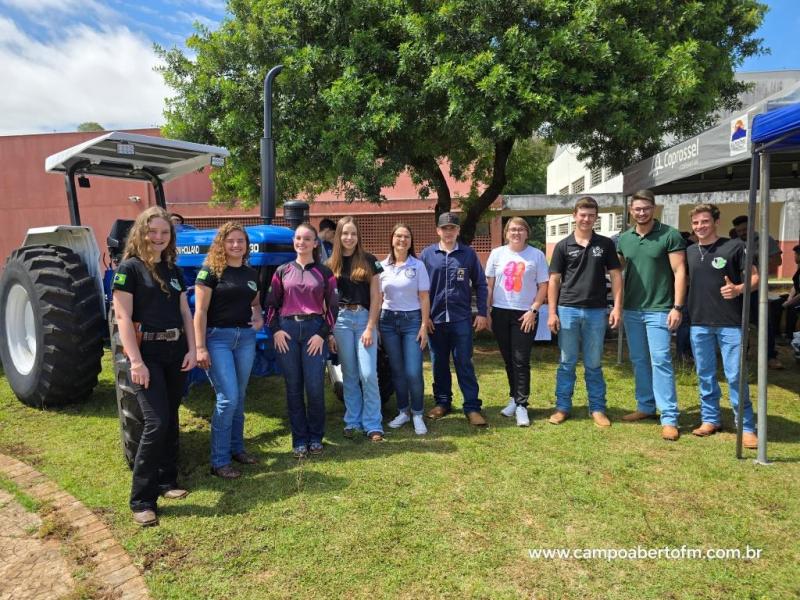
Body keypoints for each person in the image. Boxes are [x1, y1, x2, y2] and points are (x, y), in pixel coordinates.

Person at [112, 206, 197, 527]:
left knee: (170, 415)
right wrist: (134, 361)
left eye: (164, 232)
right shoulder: (129, 270)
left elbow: (185, 313)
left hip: (176, 352)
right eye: (153, 231)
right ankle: (142, 499)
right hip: (145, 352)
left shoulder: (173, 270)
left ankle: (167, 480)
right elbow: (122, 317)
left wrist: (191, 348)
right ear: (141, 233)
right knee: (156, 421)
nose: (158, 237)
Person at [193, 222, 263, 480]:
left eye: (240, 241)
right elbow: (199, 312)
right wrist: (200, 347)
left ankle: (237, 449)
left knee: (240, 397)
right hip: (218, 339)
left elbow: (255, 303)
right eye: (231, 240)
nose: (236, 245)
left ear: (246, 245)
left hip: (244, 338)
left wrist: (258, 317)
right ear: (222, 243)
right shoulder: (210, 272)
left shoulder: (250, 274)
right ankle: (219, 461)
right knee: (228, 398)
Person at [617, 189, 687, 441]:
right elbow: (616, 273)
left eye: (646, 208)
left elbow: (680, 271)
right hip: (632, 309)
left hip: (660, 309)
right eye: (637, 209)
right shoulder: (624, 239)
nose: (642, 212)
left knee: (661, 361)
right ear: (631, 211)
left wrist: (677, 307)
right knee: (639, 360)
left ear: (653, 208)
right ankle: (646, 406)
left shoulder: (670, 235)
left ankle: (669, 417)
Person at [687, 204, 758, 449]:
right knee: (704, 374)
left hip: (730, 323)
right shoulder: (690, 251)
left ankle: (746, 426)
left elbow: (756, 277)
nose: (700, 227)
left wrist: (738, 288)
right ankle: (710, 419)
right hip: (698, 322)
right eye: (696, 223)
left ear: (716, 222)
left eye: (705, 222)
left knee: (735, 375)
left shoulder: (735, 246)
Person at [547, 197, 622, 428]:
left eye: (591, 215)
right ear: (574, 216)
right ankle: (562, 407)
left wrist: (617, 307)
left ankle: (597, 408)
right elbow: (554, 280)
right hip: (567, 309)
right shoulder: (562, 245)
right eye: (583, 214)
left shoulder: (606, 244)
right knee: (567, 362)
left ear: (596, 218)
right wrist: (552, 312)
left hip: (596, 311)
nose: (586, 219)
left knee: (593, 363)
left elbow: (616, 276)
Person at [266, 223, 338, 457]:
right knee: (293, 388)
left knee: (315, 387)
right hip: (286, 332)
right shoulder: (282, 271)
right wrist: (275, 330)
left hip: (313, 331)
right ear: (294, 242)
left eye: (307, 239)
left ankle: (316, 436)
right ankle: (299, 439)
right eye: (298, 238)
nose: (302, 242)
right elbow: (271, 304)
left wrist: (322, 333)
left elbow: (334, 308)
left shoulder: (325, 273)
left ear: (315, 243)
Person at [420, 213, 489, 426]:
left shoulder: (468, 254)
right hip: (435, 320)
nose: (448, 232)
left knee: (464, 362)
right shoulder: (427, 255)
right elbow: (420, 289)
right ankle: (442, 403)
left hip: (461, 319)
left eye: (452, 228)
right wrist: (425, 317)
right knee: (439, 363)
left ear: (457, 231)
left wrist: (483, 313)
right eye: (444, 228)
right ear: (438, 230)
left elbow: (481, 284)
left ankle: (472, 407)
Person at [326, 217, 385, 442]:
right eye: (345, 234)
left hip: (363, 320)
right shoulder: (330, 264)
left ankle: (373, 424)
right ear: (338, 236)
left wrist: (371, 327)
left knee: (368, 374)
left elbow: (376, 298)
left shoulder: (370, 261)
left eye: (353, 234)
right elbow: (325, 301)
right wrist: (330, 331)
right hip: (340, 321)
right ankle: (353, 421)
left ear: (358, 236)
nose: (349, 238)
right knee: (349, 374)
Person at [485, 217, 548, 427]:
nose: (516, 233)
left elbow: (543, 286)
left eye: (521, 229)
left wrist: (534, 309)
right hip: (501, 312)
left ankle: (522, 405)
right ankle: (513, 397)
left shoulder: (536, 255)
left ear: (527, 233)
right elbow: (490, 286)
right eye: (512, 229)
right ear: (506, 233)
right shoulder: (497, 254)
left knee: (521, 359)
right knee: (508, 359)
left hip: (525, 313)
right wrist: (487, 312)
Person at [379, 224, 431, 435]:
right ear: (392, 239)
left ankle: (417, 413)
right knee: (397, 372)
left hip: (412, 322)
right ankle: (403, 411)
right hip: (388, 321)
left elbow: (424, 297)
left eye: (407, 236)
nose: (402, 240)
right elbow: (378, 298)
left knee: (413, 371)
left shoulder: (418, 266)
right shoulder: (381, 266)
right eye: (398, 236)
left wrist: (424, 326)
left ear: (411, 241)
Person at [732, 214, 784, 369]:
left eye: (744, 229)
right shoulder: (734, 243)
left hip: (757, 289)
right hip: (737, 289)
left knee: (764, 323)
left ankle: (769, 356)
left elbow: (778, 261)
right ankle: (741, 354)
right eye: (738, 230)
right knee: (738, 323)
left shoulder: (764, 239)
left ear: (751, 226)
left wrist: (757, 259)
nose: (742, 233)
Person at [782, 245, 800, 338]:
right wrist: (789, 297)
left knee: (791, 308)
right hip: (796, 297)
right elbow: (796, 286)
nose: (795, 256)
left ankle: (790, 336)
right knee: (779, 300)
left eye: (796, 254)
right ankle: (780, 333)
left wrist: (788, 303)